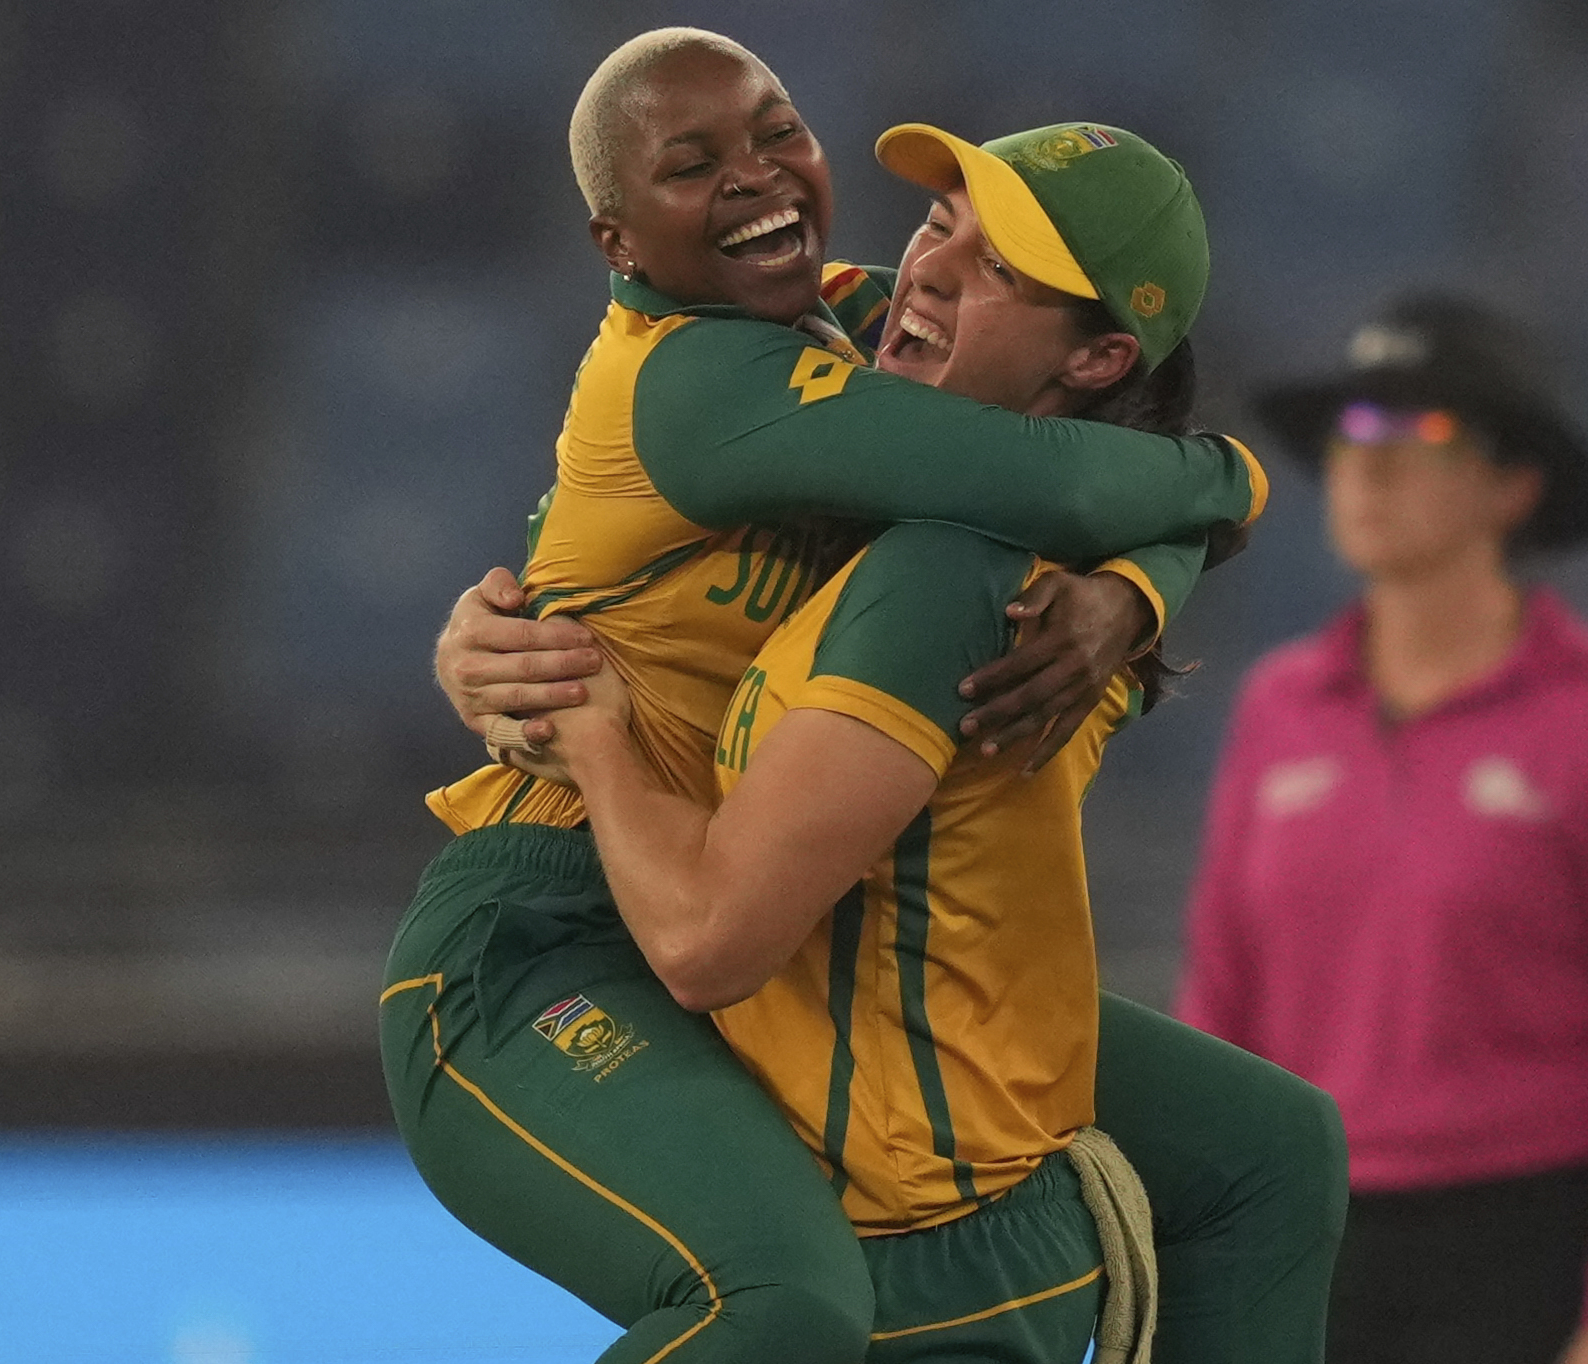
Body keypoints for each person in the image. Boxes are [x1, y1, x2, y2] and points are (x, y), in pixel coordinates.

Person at [380, 27, 1306, 1364]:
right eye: (690, 164)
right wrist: (1215, 497)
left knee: (1269, 1150)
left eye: (776, 133)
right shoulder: (693, 381)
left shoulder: (859, 325)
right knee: (778, 1305)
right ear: (615, 242)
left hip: (758, 911)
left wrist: (1139, 589)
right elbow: (1067, 480)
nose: (758, 179)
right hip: (544, 930)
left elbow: (1080, 461)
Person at [1176, 294, 1588, 1364]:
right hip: (1320, 1241)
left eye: (1419, 433)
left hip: (1535, 1247)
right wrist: (1204, 1261)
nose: (1367, 466)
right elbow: (1221, 1000)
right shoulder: (1280, 705)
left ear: (1512, 486)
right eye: (1351, 434)